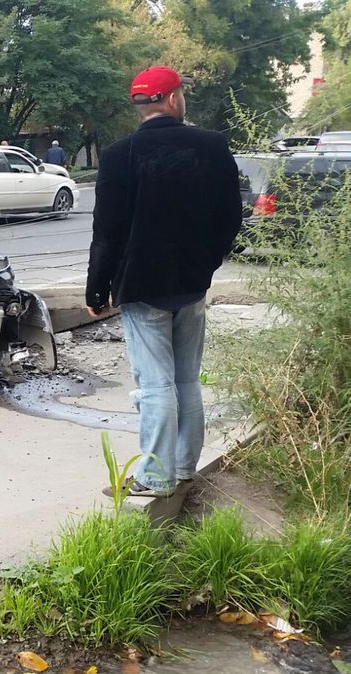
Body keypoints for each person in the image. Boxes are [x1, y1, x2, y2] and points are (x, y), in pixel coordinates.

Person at [86, 66, 242, 497]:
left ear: (142, 105)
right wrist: (207, 265)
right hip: (191, 285)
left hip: (140, 287)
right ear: (173, 99)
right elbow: (231, 217)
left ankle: (154, 479)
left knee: (155, 385)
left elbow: (107, 232)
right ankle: (183, 468)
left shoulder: (119, 155)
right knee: (186, 380)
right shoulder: (211, 146)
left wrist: (97, 290)